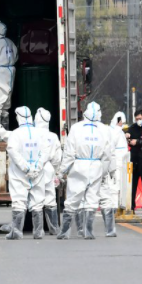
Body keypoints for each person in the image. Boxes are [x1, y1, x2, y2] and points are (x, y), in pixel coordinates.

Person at [57, 102, 112, 240]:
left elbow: (69, 152)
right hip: (96, 166)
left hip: (79, 165)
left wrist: (62, 171)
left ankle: (64, 232)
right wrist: (104, 172)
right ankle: (88, 231)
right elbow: (107, 155)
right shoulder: (104, 130)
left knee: (73, 198)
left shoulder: (76, 128)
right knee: (92, 199)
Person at [0, 107, 50, 240]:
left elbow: (13, 152)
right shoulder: (40, 133)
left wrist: (26, 168)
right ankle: (38, 232)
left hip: (20, 173)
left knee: (19, 200)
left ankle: (16, 232)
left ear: (19, 118)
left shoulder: (15, 134)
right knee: (38, 201)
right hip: (37, 173)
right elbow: (46, 152)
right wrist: (36, 168)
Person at [99, 111, 130, 237]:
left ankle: (114, 209)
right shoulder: (116, 132)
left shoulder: (114, 131)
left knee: (115, 188)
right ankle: (112, 210)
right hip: (117, 163)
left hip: (118, 163)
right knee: (114, 188)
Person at [35, 108, 62, 236]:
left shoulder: (32, 134)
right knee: (50, 197)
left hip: (35, 167)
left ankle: (38, 230)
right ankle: (53, 228)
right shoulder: (53, 136)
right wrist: (56, 171)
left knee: (35, 198)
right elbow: (57, 157)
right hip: (49, 168)